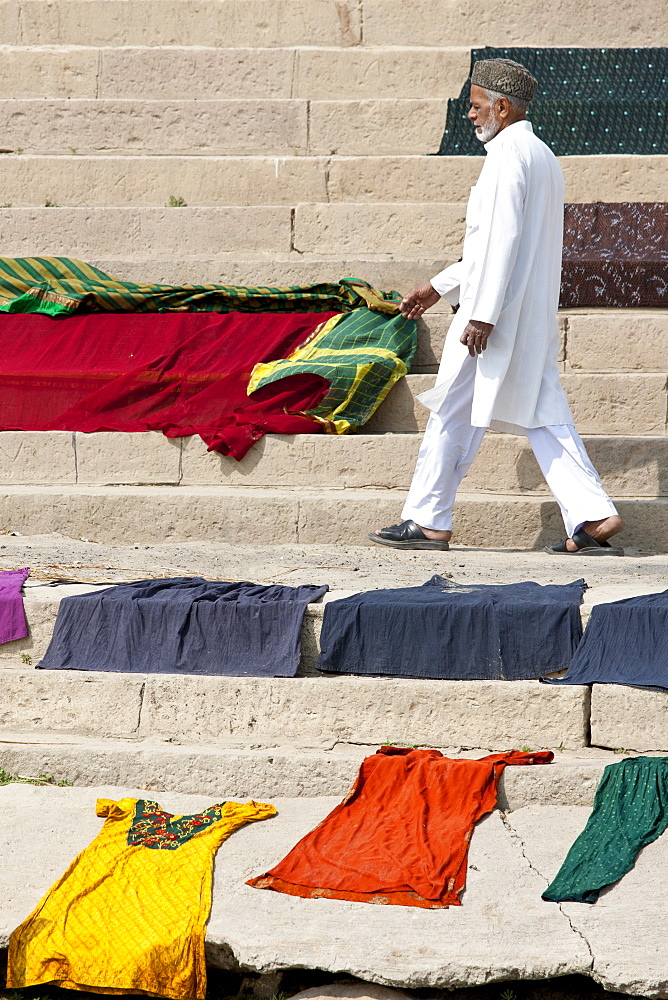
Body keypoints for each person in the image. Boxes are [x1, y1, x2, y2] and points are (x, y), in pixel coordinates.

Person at [370, 57, 624, 556]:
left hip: (492, 319)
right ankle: (593, 515)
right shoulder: (542, 155)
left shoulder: (508, 155)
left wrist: (481, 314)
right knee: (542, 411)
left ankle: (427, 521)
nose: (469, 115)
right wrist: (439, 286)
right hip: (522, 313)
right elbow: (496, 245)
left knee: (451, 410)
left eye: (476, 105)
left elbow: (502, 239)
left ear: (502, 108)